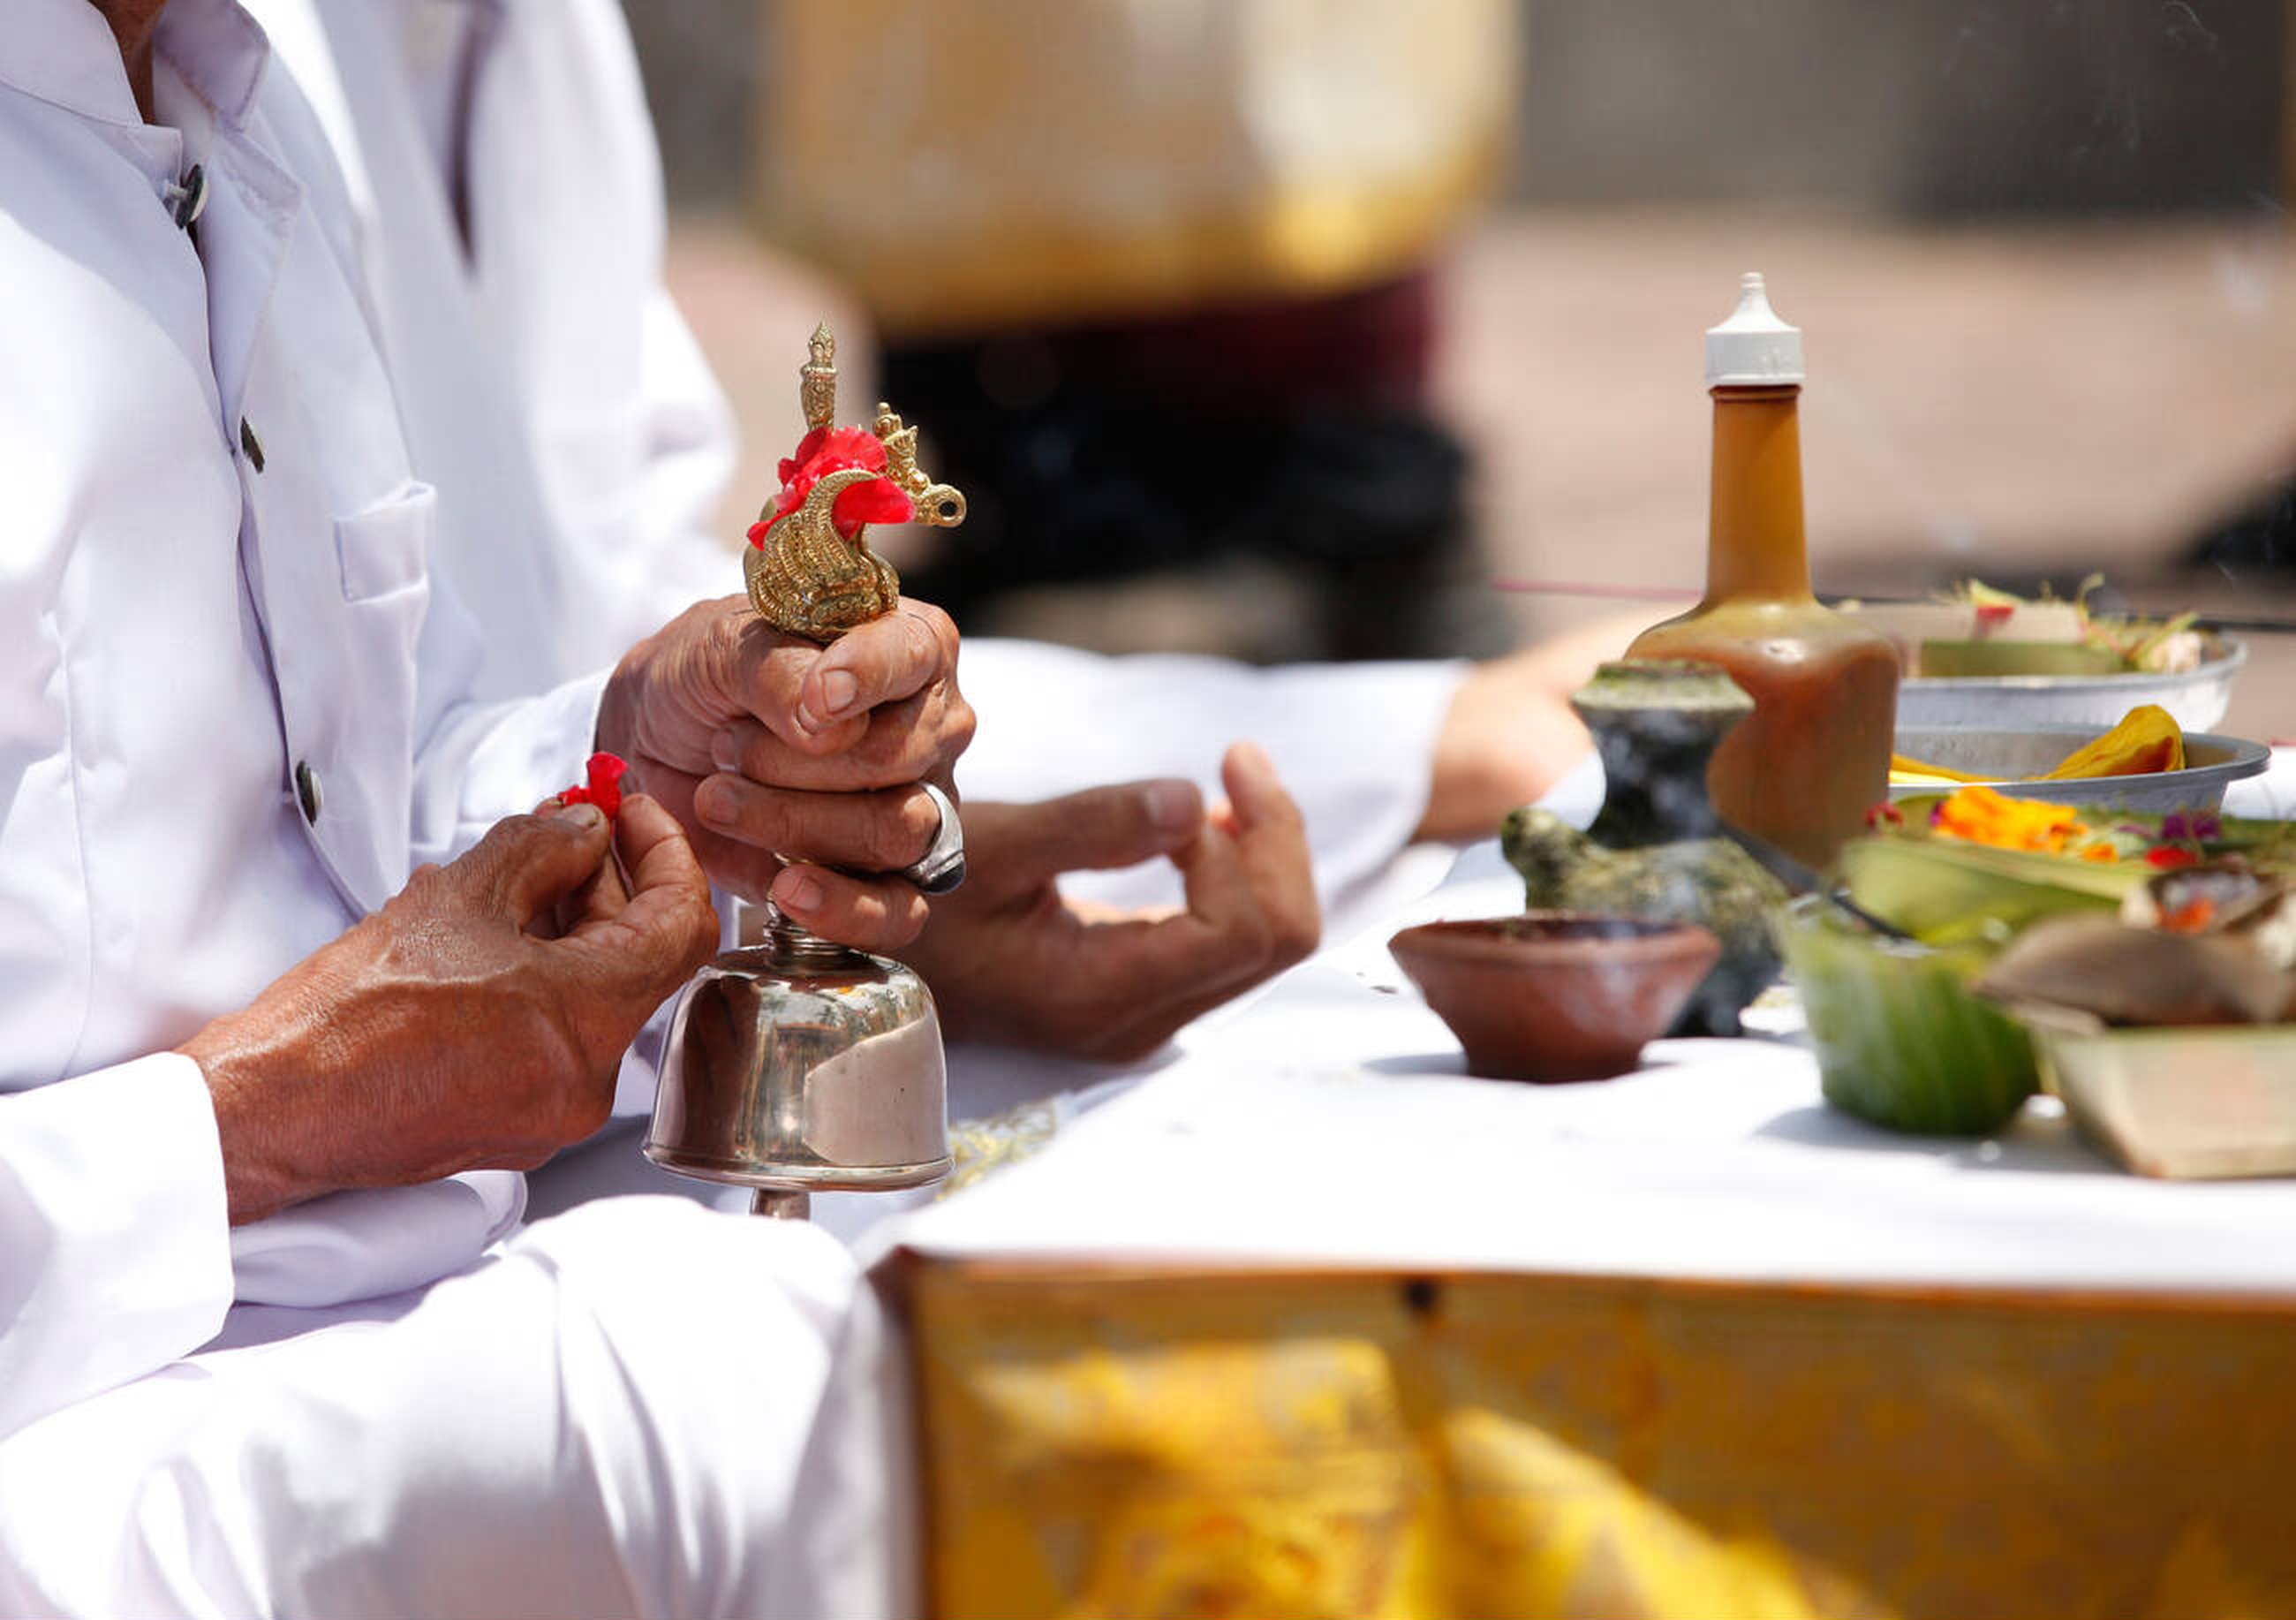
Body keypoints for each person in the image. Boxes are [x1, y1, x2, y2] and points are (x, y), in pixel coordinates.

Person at [0, 3, 989, 1611]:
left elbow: (356, 802)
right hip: (75, 1434)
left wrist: (659, 781)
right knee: (779, 1381)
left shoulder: (232, 97)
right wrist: (266, 1118)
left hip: (402, 1285)